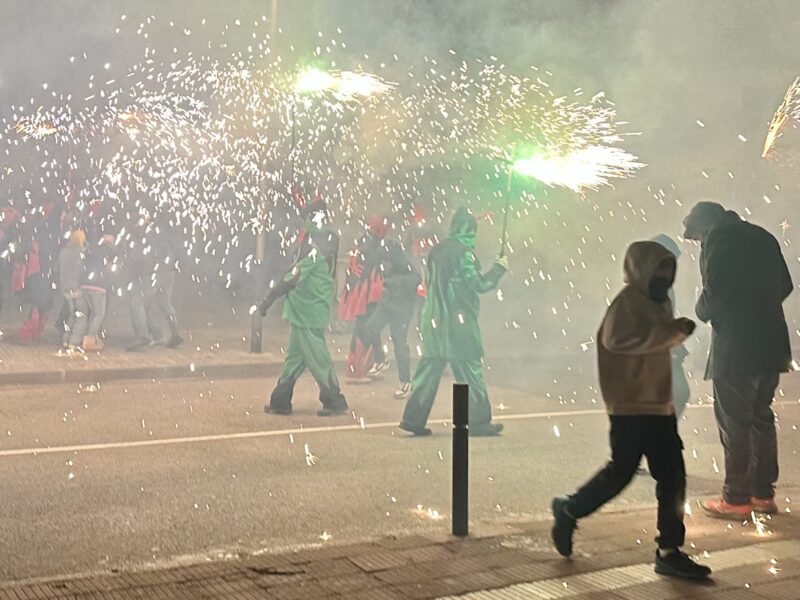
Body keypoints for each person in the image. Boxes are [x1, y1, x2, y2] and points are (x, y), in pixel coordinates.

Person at [551, 241, 711, 579]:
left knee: (672, 477)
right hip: (629, 406)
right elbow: (620, 341)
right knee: (620, 473)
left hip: (659, 405)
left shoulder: (661, 301)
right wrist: (673, 332)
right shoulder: (626, 303)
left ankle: (669, 550)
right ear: (642, 269)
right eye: (659, 269)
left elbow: (655, 341)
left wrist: (672, 334)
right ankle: (570, 509)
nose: (665, 276)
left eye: (669, 269)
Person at [683, 201, 793, 518]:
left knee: (735, 422)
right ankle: (763, 494)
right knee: (761, 417)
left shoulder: (719, 238)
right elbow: (785, 285)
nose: (699, 243)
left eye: (697, 237)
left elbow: (714, 289)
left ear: (704, 226)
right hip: (771, 343)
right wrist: (760, 306)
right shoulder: (762, 236)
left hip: (737, 346)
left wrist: (703, 311)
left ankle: (736, 499)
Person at [399, 207, 507, 437]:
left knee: (428, 373)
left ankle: (412, 419)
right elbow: (478, 284)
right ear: (468, 230)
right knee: (470, 371)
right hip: (458, 326)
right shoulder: (464, 254)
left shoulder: (436, 251)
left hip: (432, 320)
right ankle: (478, 422)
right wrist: (498, 270)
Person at [260, 200, 348, 417]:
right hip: (307, 310)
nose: (303, 222)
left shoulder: (314, 245)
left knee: (318, 358)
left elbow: (293, 277)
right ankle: (280, 400)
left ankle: (334, 399)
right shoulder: (328, 239)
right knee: (294, 357)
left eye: (306, 218)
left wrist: (268, 300)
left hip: (308, 310)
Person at [365, 239, 421, 398]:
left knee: (399, 343)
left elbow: (416, 279)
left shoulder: (406, 266)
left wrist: (396, 284)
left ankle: (405, 381)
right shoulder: (386, 266)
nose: (385, 265)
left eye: (387, 262)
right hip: (387, 303)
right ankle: (380, 360)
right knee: (372, 327)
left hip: (402, 309)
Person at [339, 216, 389, 382]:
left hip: (363, 293)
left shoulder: (363, 241)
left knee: (368, 327)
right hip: (367, 294)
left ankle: (367, 367)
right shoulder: (373, 244)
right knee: (364, 329)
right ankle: (355, 371)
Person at [80, 233, 115, 352]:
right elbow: (109, 268)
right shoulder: (109, 252)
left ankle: (90, 338)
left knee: (93, 314)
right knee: (99, 314)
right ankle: (89, 340)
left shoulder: (93, 249)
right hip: (98, 286)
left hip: (85, 284)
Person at [57, 229, 88, 356]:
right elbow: (82, 268)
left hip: (65, 287)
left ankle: (66, 339)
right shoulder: (80, 252)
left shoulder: (63, 252)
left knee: (72, 314)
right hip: (76, 287)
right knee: (81, 316)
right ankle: (74, 342)